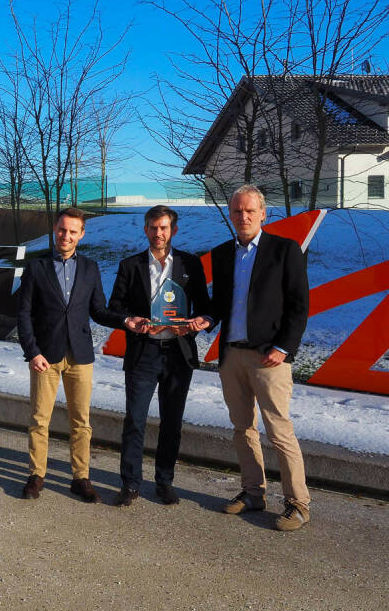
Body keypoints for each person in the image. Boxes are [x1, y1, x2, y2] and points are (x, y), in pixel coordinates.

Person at [210, 184, 311, 531]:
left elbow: (299, 306)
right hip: (232, 356)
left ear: (264, 213)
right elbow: (219, 305)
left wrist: (283, 348)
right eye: (237, 211)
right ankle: (253, 492)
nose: (243, 217)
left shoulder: (285, 251)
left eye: (250, 211)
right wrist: (204, 319)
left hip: (269, 358)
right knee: (242, 429)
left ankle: (298, 503)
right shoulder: (223, 253)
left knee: (279, 430)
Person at [17, 207, 127, 502]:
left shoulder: (90, 268)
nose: (66, 236)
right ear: (55, 229)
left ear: (81, 234)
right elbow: (24, 313)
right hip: (45, 357)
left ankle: (81, 478)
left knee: (81, 422)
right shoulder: (36, 268)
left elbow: (98, 310)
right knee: (40, 420)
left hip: (80, 356)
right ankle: (36, 475)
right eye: (62, 230)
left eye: (72, 231)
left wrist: (126, 321)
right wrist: (32, 352)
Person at [107, 206, 212, 507]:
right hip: (144, 352)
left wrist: (199, 323)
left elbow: (205, 307)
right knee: (135, 421)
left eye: (164, 228)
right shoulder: (131, 265)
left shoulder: (190, 264)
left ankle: (164, 482)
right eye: (153, 227)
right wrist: (131, 321)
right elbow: (115, 307)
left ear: (173, 231)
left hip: (178, 354)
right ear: (146, 229)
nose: (158, 233)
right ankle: (130, 484)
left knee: (172, 423)